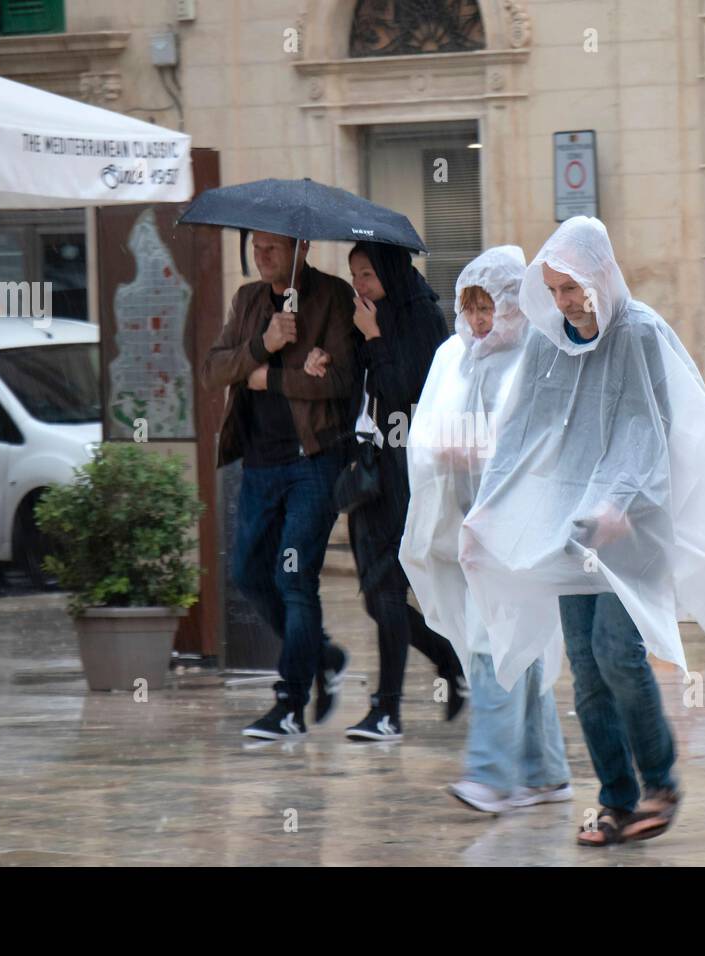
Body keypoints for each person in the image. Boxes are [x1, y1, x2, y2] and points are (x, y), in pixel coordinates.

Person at [458, 217, 705, 846]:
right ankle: (614, 798)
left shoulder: (638, 332)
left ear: (600, 274)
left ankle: (660, 783)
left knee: (617, 651)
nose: (565, 303)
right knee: (583, 662)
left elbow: (647, 429)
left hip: (635, 521)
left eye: (572, 287)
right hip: (573, 527)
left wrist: (618, 504)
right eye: (552, 291)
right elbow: (521, 433)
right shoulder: (551, 342)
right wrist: (486, 513)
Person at [400, 245, 572, 813]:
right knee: (514, 644)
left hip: (518, 530)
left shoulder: (535, 357)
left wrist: (477, 450)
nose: (478, 319)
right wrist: (444, 454)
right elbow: (425, 427)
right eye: (470, 307)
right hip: (467, 527)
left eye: (488, 307)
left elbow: (539, 442)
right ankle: (545, 771)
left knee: (491, 640)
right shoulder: (454, 356)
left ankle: (492, 774)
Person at [200, 231, 357, 740]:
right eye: (256, 247)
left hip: (314, 459)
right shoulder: (247, 300)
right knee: (248, 572)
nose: (261, 256)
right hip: (261, 462)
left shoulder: (332, 297)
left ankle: (289, 705)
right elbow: (214, 369)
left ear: (302, 249)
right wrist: (263, 345)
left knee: (294, 578)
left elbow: (340, 381)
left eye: (273, 247)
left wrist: (274, 377)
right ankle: (324, 656)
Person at [335, 241, 465, 741]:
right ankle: (448, 658)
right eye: (354, 276)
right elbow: (363, 391)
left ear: (390, 270)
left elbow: (405, 392)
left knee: (388, 589)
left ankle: (386, 711)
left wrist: (373, 337)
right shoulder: (365, 319)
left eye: (367, 274)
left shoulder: (423, 320)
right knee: (374, 595)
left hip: (407, 471)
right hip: (368, 471)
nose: (360, 286)